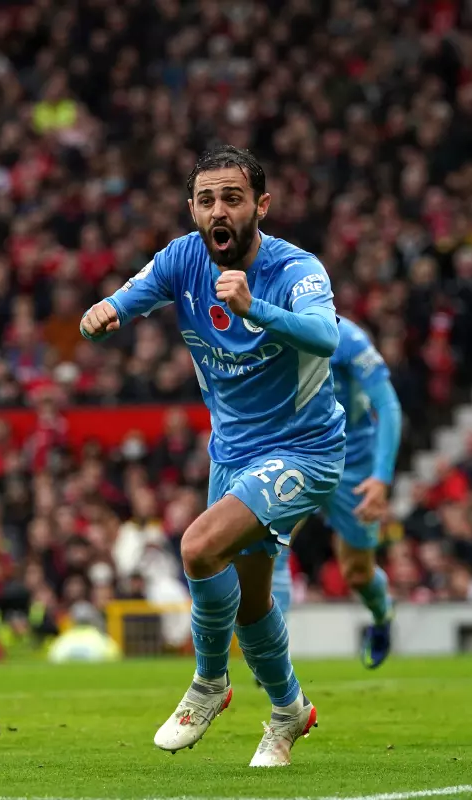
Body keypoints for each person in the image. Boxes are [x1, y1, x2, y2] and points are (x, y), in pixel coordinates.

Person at [80, 145, 342, 768]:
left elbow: (327, 336)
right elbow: (136, 291)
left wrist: (257, 308)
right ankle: (288, 711)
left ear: (261, 205)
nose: (218, 210)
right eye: (206, 200)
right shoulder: (183, 259)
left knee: (197, 547)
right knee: (251, 602)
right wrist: (108, 310)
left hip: (304, 449)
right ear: (192, 210)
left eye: (231, 198)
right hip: (232, 453)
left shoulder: (295, 269)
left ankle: (209, 683)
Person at [271, 316, 402, 668]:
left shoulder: (349, 340)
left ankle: (381, 615)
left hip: (353, 464)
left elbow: (387, 406)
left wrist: (381, 477)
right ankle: (272, 649)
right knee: (272, 542)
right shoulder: (272, 330)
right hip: (297, 456)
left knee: (357, 573)